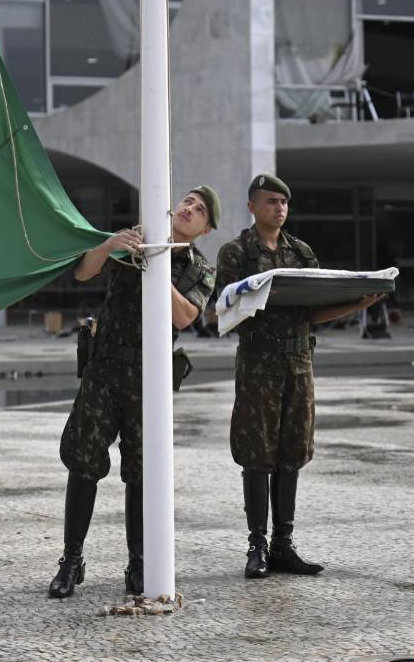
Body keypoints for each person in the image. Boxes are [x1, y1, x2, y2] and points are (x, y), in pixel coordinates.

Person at [49, 187, 220, 598]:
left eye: (199, 211)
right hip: (105, 367)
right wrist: (112, 244)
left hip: (150, 376)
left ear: (205, 228)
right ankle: (72, 561)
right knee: (84, 461)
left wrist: (154, 266)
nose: (188, 210)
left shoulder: (199, 268)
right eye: (187, 201)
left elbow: (184, 316)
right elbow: (84, 272)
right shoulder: (133, 239)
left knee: (141, 472)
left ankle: (139, 563)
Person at [215, 174, 383, 580]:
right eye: (272, 202)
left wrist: (356, 304)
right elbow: (222, 309)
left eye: (285, 202)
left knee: (292, 452)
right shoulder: (236, 252)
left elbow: (312, 312)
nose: (280, 208)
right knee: (257, 455)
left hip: (298, 365)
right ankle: (256, 546)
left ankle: (283, 547)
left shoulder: (301, 252)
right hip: (258, 366)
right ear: (253, 206)